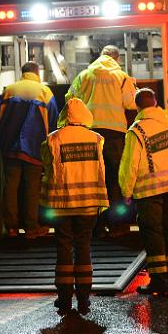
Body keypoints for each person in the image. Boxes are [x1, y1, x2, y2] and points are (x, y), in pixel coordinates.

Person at [40, 98, 108, 315]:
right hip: (88, 205)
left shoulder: (52, 140)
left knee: (63, 248)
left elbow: (47, 170)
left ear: (64, 116)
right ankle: (85, 299)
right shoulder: (97, 139)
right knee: (83, 247)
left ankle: (65, 299)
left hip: (62, 205)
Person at [64, 45, 138, 236]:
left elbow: (70, 98)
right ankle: (116, 225)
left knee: (94, 180)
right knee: (114, 179)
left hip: (89, 134)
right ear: (117, 58)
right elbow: (131, 102)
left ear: (100, 57)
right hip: (114, 135)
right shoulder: (121, 76)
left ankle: (95, 227)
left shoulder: (84, 75)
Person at [119, 88, 168, 296]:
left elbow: (130, 165)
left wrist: (126, 191)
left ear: (138, 107)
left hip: (149, 193)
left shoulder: (137, 131)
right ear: (155, 102)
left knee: (154, 235)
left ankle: (159, 282)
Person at [0, 61, 58, 239]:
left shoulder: (9, 90)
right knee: (32, 187)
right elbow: (53, 123)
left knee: (11, 186)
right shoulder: (44, 92)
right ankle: (31, 227)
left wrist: (0, 140)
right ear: (37, 72)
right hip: (35, 147)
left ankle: (12, 228)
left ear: (22, 72)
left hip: (10, 148)